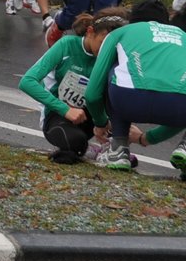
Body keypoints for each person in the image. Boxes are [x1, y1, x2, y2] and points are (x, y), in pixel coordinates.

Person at [83, 0, 186, 183]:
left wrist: (100, 122)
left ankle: (118, 147)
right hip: (179, 107)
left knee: (116, 69)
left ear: (133, 21)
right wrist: (148, 138)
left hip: (128, 100)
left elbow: (92, 93)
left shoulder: (121, 32)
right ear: (166, 23)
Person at [21, 9, 145, 163]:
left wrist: (125, 124)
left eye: (112, 46)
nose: (107, 50)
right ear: (90, 31)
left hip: (94, 117)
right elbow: (27, 82)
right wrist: (65, 109)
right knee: (75, 144)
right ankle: (92, 150)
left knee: (129, 157)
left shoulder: (113, 56)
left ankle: (110, 148)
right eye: (103, 43)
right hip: (59, 114)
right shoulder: (66, 45)